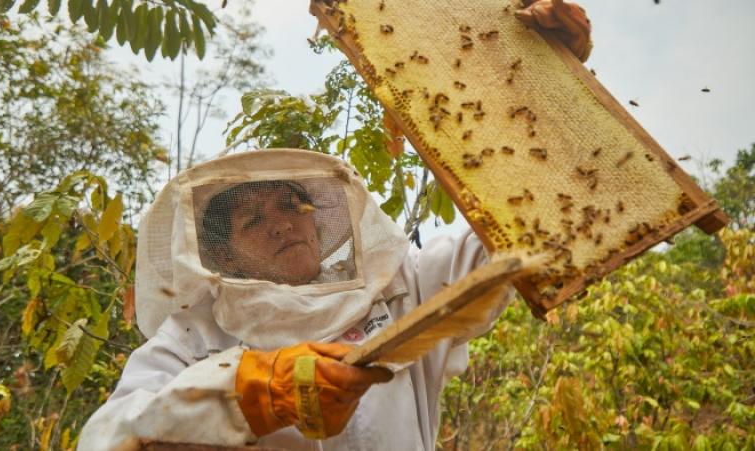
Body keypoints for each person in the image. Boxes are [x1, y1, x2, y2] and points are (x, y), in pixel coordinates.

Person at [78, 3, 592, 449]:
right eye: (253, 219)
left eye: (289, 206)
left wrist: (541, 81)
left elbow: (516, 233)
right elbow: (105, 437)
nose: (280, 224)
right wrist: (256, 389)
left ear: (322, 226)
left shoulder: (400, 291)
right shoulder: (195, 336)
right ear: (222, 256)